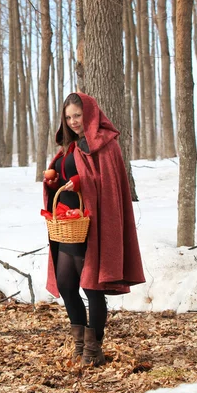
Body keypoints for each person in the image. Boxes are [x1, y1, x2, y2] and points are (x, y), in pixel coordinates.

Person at [43, 92, 146, 366]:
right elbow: (67, 176)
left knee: (92, 287)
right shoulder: (70, 147)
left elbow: (105, 186)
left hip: (93, 226)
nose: (74, 121)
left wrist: (79, 182)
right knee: (66, 285)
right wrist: (53, 182)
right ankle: (80, 344)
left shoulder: (104, 144)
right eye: (68, 117)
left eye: (78, 115)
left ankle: (94, 349)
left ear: (89, 113)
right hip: (68, 225)